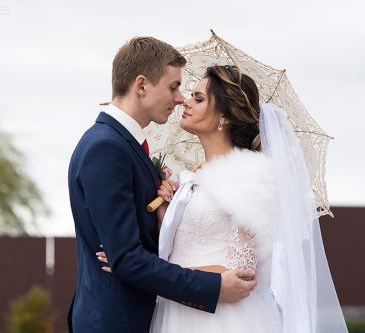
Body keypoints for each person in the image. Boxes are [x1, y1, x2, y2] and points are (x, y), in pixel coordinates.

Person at [98, 65, 348, 332]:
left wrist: (142, 271)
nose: (185, 101)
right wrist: (164, 216)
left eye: (198, 98)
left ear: (224, 117)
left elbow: (240, 275)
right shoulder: (189, 178)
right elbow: (183, 246)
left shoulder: (251, 177)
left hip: (221, 318)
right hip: (176, 309)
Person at [68, 38, 257, 332]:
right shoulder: (106, 147)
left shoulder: (125, 146)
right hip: (114, 320)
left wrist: (162, 219)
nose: (180, 98)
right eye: (173, 87)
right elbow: (128, 259)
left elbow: (134, 251)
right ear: (141, 85)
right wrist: (214, 285)